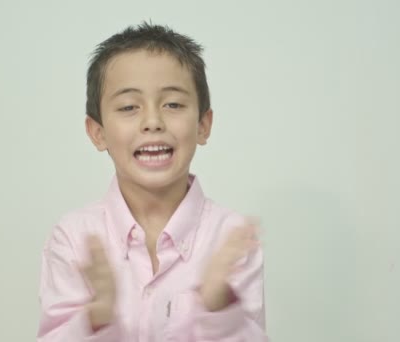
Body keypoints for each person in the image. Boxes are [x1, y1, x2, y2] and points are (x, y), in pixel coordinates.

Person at [37, 22, 267, 341]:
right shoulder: (75, 239)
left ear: (203, 124)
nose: (153, 122)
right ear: (97, 132)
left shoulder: (229, 238)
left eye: (173, 104)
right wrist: (97, 319)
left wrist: (220, 311)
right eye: (129, 107)